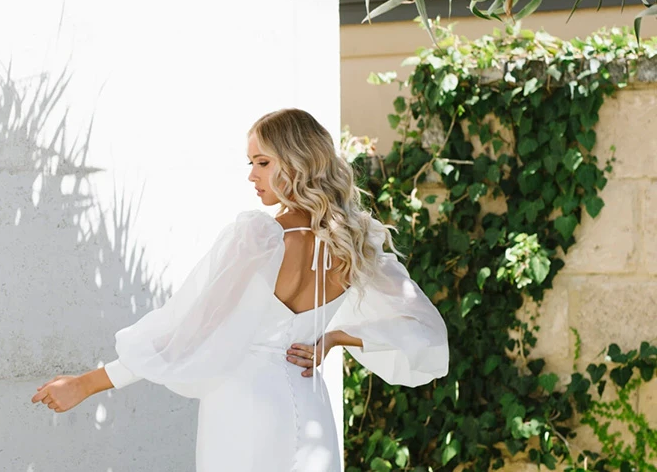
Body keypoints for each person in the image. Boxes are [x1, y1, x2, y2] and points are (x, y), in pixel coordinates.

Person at [31, 108, 449, 471]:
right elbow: (426, 329)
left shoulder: (260, 237)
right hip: (308, 402)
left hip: (243, 406)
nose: (252, 175)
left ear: (297, 162)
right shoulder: (356, 243)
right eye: (251, 163)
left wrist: (86, 384)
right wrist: (335, 338)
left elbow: (187, 328)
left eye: (263, 162)